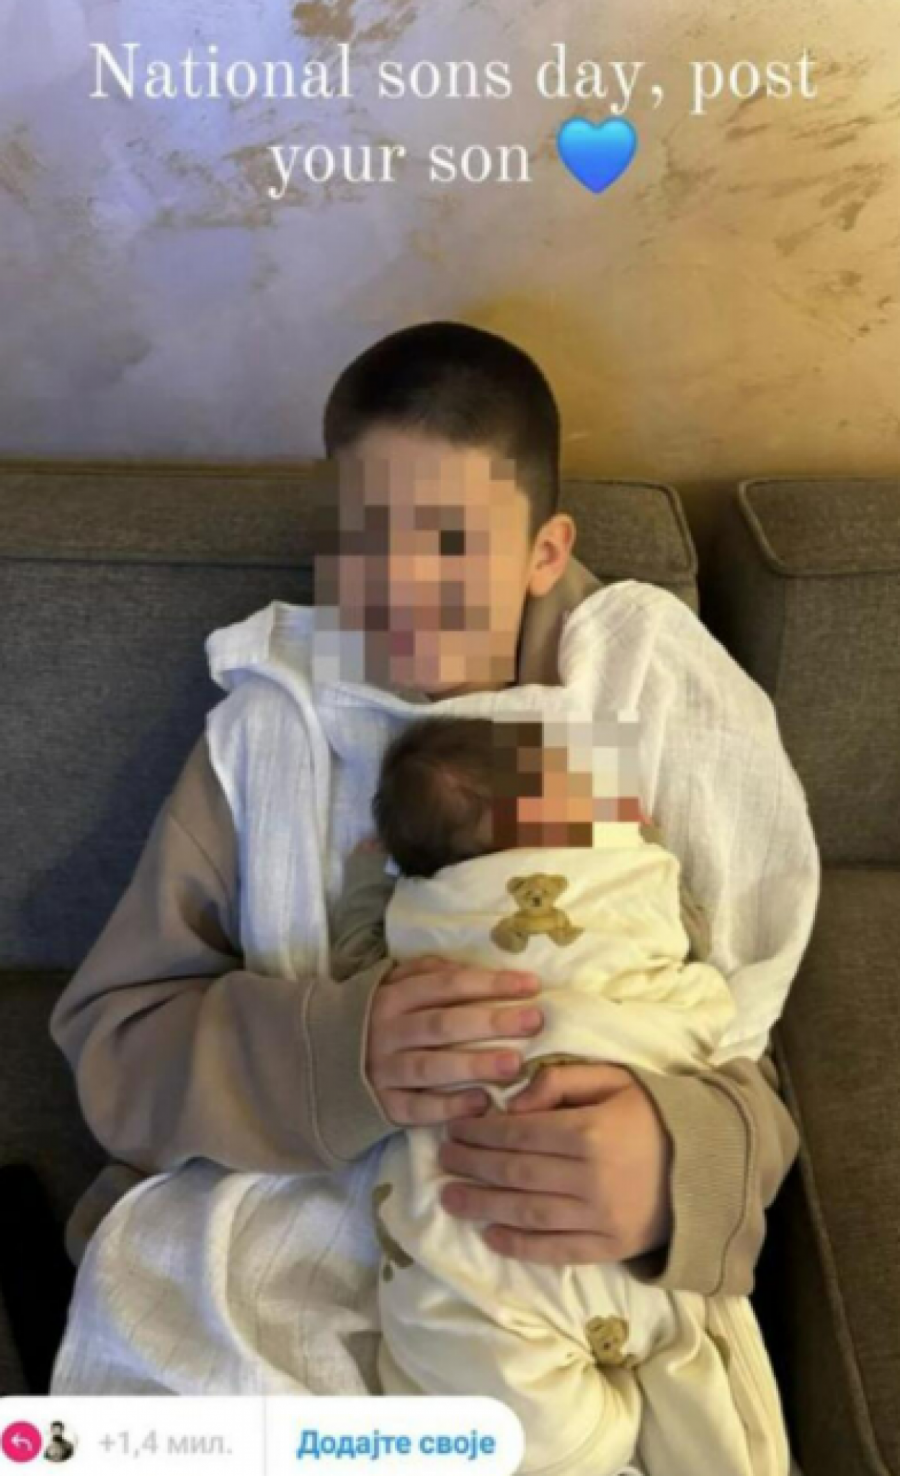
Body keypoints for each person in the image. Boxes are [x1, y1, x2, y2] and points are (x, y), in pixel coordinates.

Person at [48, 321, 819, 1387]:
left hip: (553, 1267)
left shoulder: (639, 710)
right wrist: (338, 1055)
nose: (401, 587)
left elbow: (734, 1031)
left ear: (545, 552)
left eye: (452, 544)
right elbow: (117, 1044)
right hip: (294, 1239)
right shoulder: (274, 729)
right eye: (368, 541)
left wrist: (676, 1167)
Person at [330, 712, 790, 1475]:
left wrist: (361, 888)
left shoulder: (419, 922)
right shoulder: (635, 874)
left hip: (489, 1256)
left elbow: (356, 966)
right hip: (651, 1247)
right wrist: (645, 839)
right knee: (720, 1418)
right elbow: (694, 941)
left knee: (526, 1437)